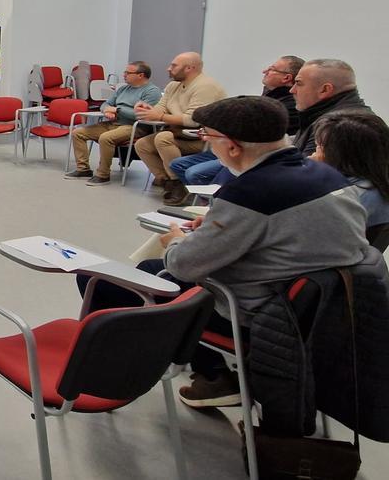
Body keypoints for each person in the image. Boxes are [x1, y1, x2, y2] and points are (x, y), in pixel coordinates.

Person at [157, 96, 382, 407]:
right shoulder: (328, 176)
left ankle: (214, 377)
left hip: (260, 318)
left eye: (206, 135)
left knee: (152, 278)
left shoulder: (249, 193)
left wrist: (175, 240)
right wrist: (219, 224)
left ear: (232, 146)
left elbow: (182, 265)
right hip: (323, 314)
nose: (205, 142)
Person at [169, 55, 304, 188]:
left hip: (246, 152)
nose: (265, 71)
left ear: (286, 78)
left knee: (194, 172)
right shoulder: (269, 97)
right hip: (230, 147)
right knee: (177, 164)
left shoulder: (284, 106)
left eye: (272, 69)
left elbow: (251, 134)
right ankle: (198, 194)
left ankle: (210, 196)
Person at [133, 52, 227, 205]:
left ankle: (179, 183)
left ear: (189, 68)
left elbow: (193, 120)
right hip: (179, 134)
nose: (168, 68)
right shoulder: (173, 85)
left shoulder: (206, 86)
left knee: (163, 138)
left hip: (203, 138)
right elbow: (161, 107)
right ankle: (167, 181)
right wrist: (147, 109)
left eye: (174, 66)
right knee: (142, 144)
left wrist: (159, 116)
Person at [65, 61, 161, 185]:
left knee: (106, 138)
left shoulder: (152, 92)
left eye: (128, 73)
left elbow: (141, 114)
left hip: (134, 127)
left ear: (140, 75)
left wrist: (117, 110)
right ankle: (83, 169)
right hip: (114, 123)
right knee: (78, 133)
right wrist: (106, 110)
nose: (124, 75)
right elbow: (106, 103)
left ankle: (103, 174)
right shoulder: (123, 89)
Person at [311, 110, 389, 243]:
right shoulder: (378, 184)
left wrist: (315, 173)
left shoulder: (346, 200)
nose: (315, 153)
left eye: (320, 146)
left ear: (342, 155)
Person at [291, 58, 373, 156]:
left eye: (299, 83)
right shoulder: (356, 116)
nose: (292, 90)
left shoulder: (336, 127)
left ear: (325, 90)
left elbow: (303, 165)